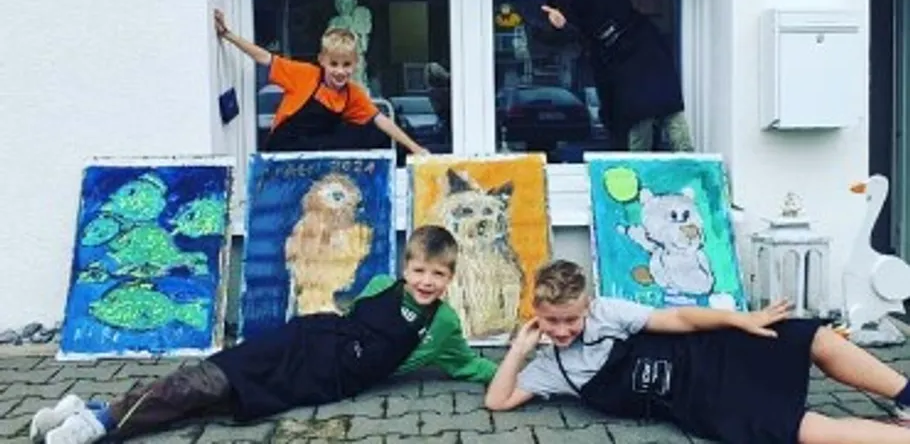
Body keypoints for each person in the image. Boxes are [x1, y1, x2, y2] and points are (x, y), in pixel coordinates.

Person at [32, 225, 497, 444]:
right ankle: (98, 422)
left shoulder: (444, 325)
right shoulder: (381, 285)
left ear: (450, 277)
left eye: (437, 274)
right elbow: (353, 316)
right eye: (419, 270)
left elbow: (470, 365)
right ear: (405, 267)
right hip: (308, 340)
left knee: (217, 403)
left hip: (323, 380)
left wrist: (523, 370)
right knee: (210, 377)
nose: (426, 281)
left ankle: (93, 415)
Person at [485, 259, 910, 444]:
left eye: (570, 320)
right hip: (699, 401)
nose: (561, 330)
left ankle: (905, 396)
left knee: (806, 337)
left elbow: (678, 321)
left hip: (707, 353)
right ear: (535, 315)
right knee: (797, 429)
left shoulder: (608, 312)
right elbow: (498, 401)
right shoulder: (550, 369)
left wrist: (741, 320)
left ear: (587, 307)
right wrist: (520, 349)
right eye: (550, 321)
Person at [543, 0, 694, 152]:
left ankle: (691, 170)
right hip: (613, 61)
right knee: (637, 119)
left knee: (670, 110)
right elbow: (566, 40)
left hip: (645, 46)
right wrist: (561, 26)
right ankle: (638, 176)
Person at [213, 9, 429, 155]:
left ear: (355, 64)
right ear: (322, 61)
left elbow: (382, 120)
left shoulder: (352, 94)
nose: (340, 71)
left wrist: (416, 149)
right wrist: (228, 35)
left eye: (346, 65)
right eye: (334, 64)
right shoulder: (304, 74)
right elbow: (264, 57)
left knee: (365, 133)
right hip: (284, 150)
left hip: (317, 156)